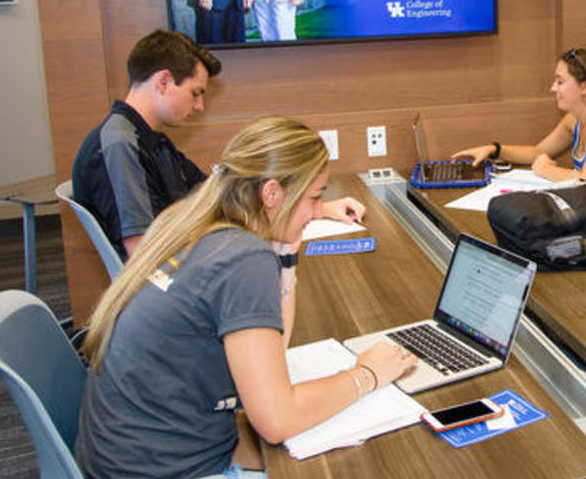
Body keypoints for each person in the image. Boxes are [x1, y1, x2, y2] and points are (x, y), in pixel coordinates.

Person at [76, 116, 416, 478]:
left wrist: (286, 257)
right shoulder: (242, 259)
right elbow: (277, 419)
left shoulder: (200, 225)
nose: (318, 212)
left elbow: (275, 345)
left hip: (128, 454)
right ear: (272, 194)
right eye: (315, 197)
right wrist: (366, 374)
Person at [72, 30, 362, 261]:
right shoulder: (121, 145)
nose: (199, 106)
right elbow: (142, 252)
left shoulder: (150, 138)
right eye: (195, 93)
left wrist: (313, 207)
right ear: (163, 81)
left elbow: (221, 192)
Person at [452, 48, 586, 201]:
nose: (552, 88)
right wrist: (493, 149)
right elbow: (537, 152)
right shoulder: (574, 119)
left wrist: (546, 170)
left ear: (585, 87)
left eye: (560, 82)